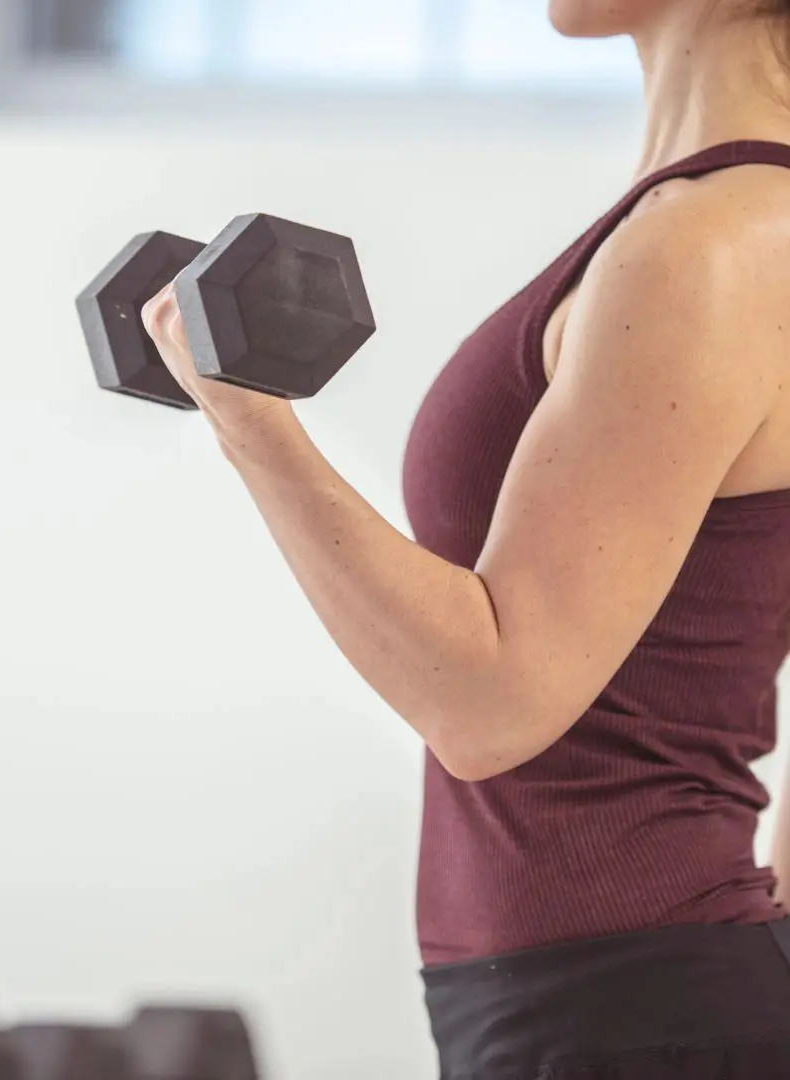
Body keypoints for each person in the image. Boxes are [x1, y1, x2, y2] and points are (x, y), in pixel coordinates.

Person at [141, 1, 790, 1076]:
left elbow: (490, 704)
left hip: (638, 1008)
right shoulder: (717, 227)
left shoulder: (711, 244)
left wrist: (251, 425)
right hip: (632, 1005)